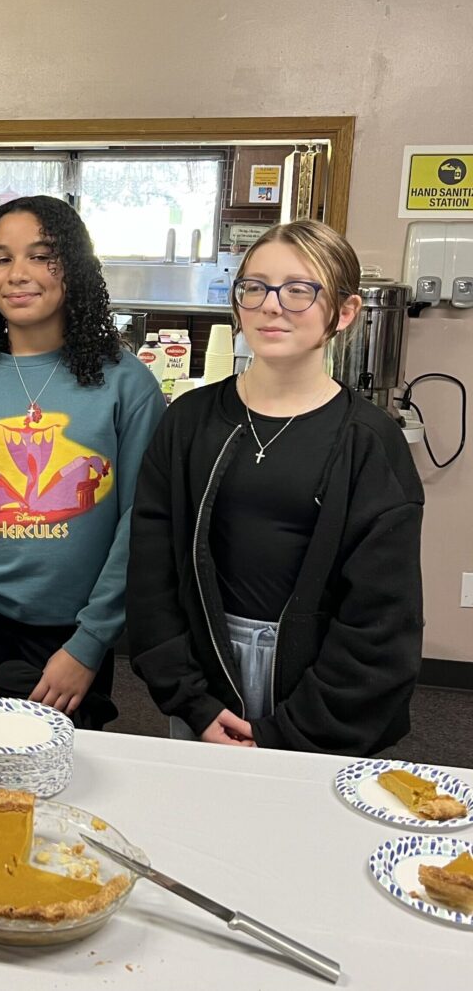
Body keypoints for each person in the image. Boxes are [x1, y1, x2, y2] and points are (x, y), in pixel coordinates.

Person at [127, 219, 424, 754]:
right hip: (206, 675)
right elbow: (153, 571)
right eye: (255, 287)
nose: (271, 305)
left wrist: (288, 731)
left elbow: (380, 618)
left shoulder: (369, 442)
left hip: (319, 694)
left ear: (345, 311)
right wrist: (191, 698)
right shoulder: (190, 421)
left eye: (299, 290)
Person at [0, 196, 166, 727]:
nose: (19, 274)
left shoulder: (127, 384)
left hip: (79, 631)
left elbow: (141, 523)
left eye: (42, 255)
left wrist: (90, 644)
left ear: (74, 266)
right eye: (2, 257)